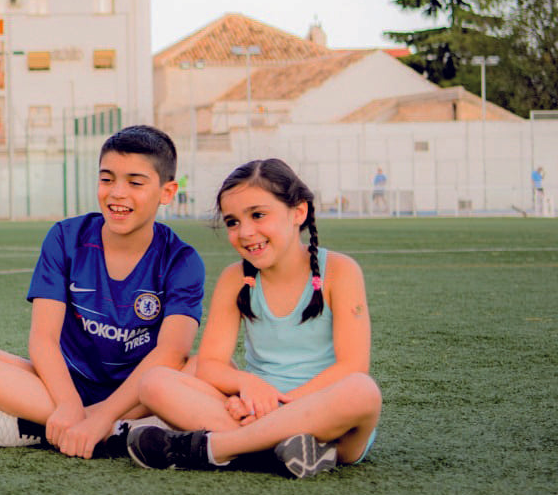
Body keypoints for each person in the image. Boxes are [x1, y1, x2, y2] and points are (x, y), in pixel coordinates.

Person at [0, 125, 206, 460]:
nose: (117, 193)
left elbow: (170, 354)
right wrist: (69, 404)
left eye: (135, 182)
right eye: (107, 179)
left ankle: (59, 428)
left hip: (141, 394)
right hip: (64, 387)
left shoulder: (181, 259)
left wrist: (104, 414)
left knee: (204, 368)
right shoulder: (66, 238)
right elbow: (43, 339)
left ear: (167, 192)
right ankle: (120, 435)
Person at [129, 158, 382, 478]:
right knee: (155, 382)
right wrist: (246, 386)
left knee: (362, 390)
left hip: (329, 422)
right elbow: (210, 365)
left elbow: (352, 366)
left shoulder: (341, 271)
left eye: (258, 215)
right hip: (253, 410)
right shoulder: (235, 278)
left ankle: (216, 448)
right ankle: (285, 451)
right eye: (233, 222)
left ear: (298, 212)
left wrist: (279, 407)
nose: (246, 232)